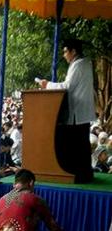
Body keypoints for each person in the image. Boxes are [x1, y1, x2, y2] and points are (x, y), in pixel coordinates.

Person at [39, 39, 96, 183]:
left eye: (65, 51)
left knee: (77, 146)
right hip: (81, 111)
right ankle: (84, 174)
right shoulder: (86, 62)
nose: (64, 55)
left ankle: (79, 175)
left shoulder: (77, 65)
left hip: (77, 111)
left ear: (73, 51)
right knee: (82, 144)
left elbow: (67, 86)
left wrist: (47, 85)